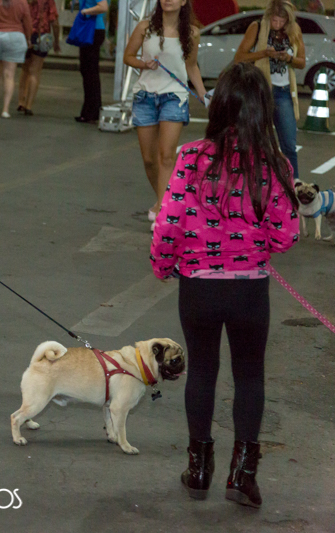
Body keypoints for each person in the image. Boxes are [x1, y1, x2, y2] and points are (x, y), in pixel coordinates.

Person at [151, 63, 299, 509]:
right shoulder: (274, 164)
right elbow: (286, 235)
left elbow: (168, 222)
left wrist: (163, 265)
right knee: (249, 375)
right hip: (250, 290)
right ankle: (243, 476)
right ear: (263, 110)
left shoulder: (190, 157)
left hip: (198, 287)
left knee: (201, 370)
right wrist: (257, 242)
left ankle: (198, 470)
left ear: (219, 106)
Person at [123, 0, 207, 227]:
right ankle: (167, 200)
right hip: (145, 97)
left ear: (183, 2)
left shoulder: (192, 33)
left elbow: (191, 66)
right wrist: (143, 64)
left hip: (174, 97)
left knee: (166, 156)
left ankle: (162, 211)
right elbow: (127, 57)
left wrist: (204, 95)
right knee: (150, 160)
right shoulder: (145, 27)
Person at [234, 0, 305, 183]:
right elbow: (239, 57)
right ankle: (253, 181)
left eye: (282, 21)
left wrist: (288, 58)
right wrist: (264, 53)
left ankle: (292, 183)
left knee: (288, 144)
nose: (278, 24)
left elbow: (301, 62)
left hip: (284, 92)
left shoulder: (294, 30)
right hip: (260, 90)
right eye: (275, 20)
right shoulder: (257, 27)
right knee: (255, 141)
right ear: (268, 16)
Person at [0, 0, 33, 118]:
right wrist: (28, 38)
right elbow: (27, 21)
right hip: (15, 36)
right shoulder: (22, 2)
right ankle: (5, 109)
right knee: (9, 75)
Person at [17, 0, 60, 116]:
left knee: (25, 69)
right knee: (34, 71)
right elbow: (54, 22)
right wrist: (56, 41)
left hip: (25, 34)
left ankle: (21, 101)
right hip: (41, 36)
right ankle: (28, 105)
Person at [74, 0, 108, 123]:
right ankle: (91, 110)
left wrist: (85, 11)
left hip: (92, 29)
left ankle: (91, 111)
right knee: (88, 71)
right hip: (92, 28)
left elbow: (103, 7)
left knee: (89, 71)